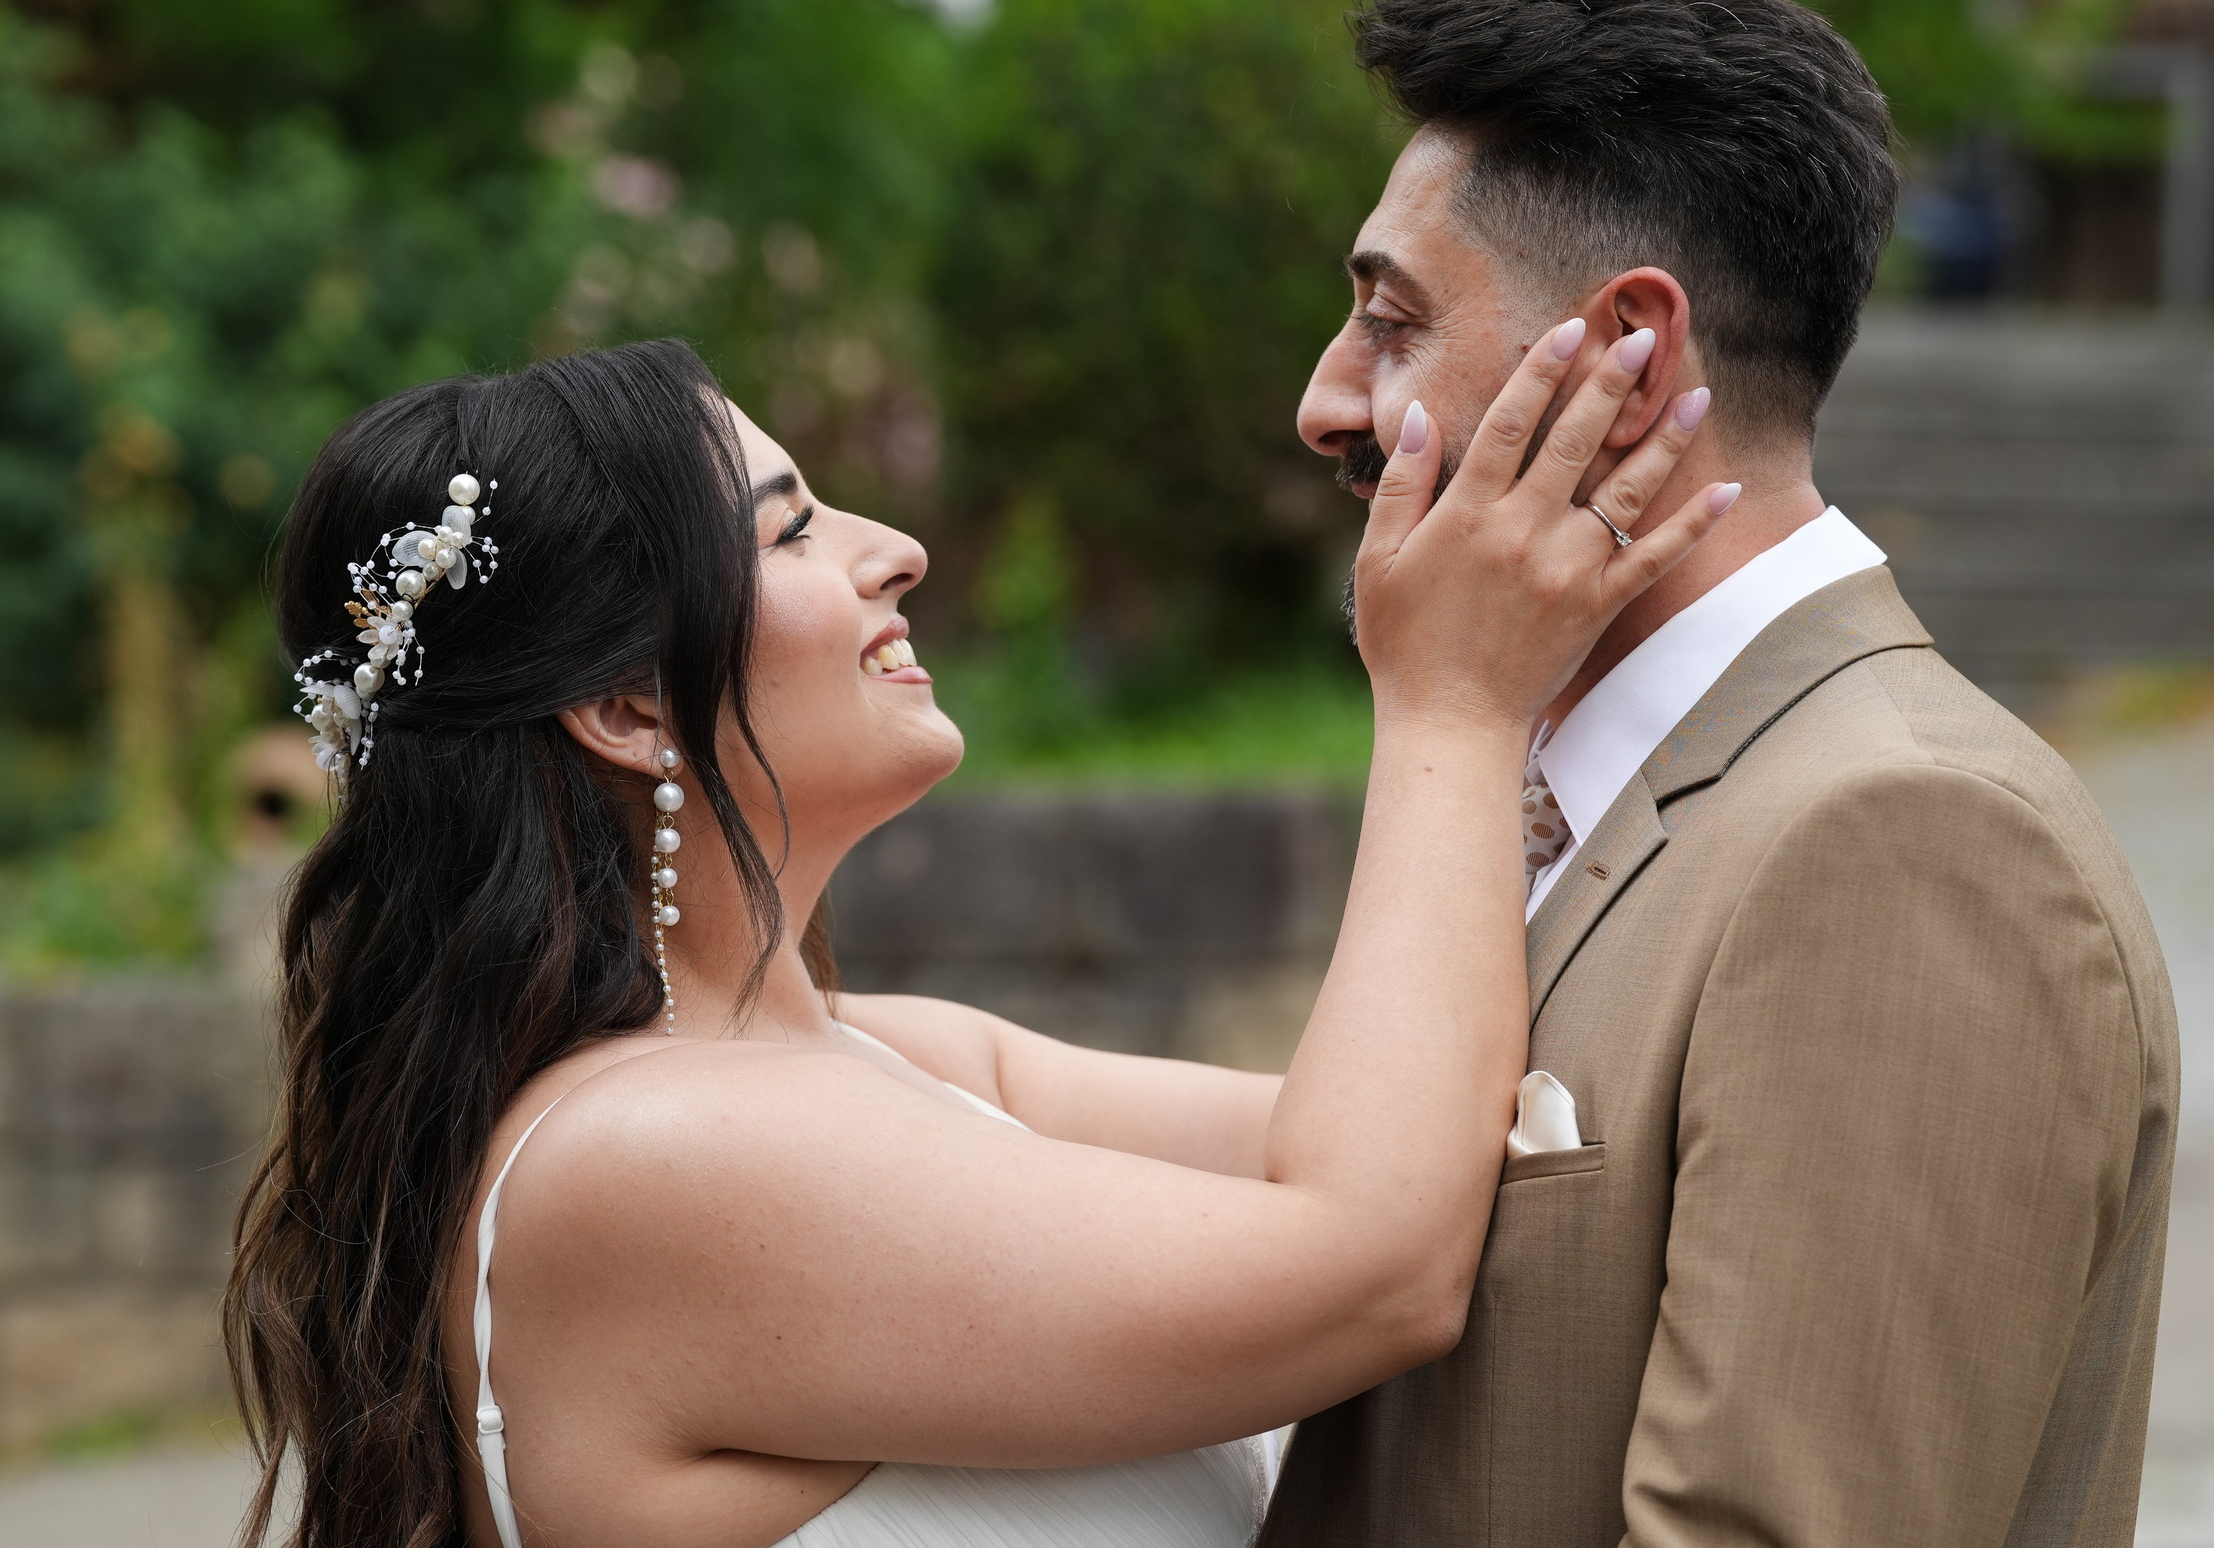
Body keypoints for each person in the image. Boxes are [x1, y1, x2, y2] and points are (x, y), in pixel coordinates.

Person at [221, 333, 1731, 1548]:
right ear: (626, 710)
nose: (898, 551)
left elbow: (1456, 1151)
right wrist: (1453, 704)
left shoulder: (896, 1058)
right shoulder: (645, 1158)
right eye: (793, 529)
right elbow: (1375, 1261)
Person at [1263, 0, 2180, 1548]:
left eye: (1392, 322)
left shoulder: (1904, 838)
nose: (1327, 402)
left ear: (1626, 356)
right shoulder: (1549, 782)